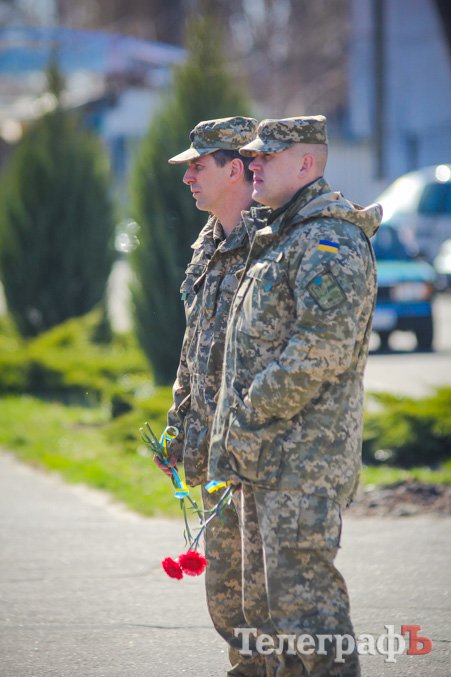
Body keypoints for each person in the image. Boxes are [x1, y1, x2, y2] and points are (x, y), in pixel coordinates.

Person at [209, 116, 382, 676]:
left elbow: (321, 348)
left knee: (307, 616)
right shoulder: (281, 235)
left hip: (303, 463)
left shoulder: (330, 241)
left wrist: (250, 410)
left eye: (268, 156)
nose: (253, 164)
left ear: (306, 164)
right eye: (253, 155)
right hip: (266, 459)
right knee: (267, 620)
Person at [153, 116, 270, 676]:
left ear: (236, 168)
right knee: (226, 595)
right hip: (211, 452)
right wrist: (177, 427)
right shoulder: (209, 243)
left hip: (257, 454)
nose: (188, 178)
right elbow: (194, 344)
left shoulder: (271, 244)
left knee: (265, 596)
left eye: (198, 165)